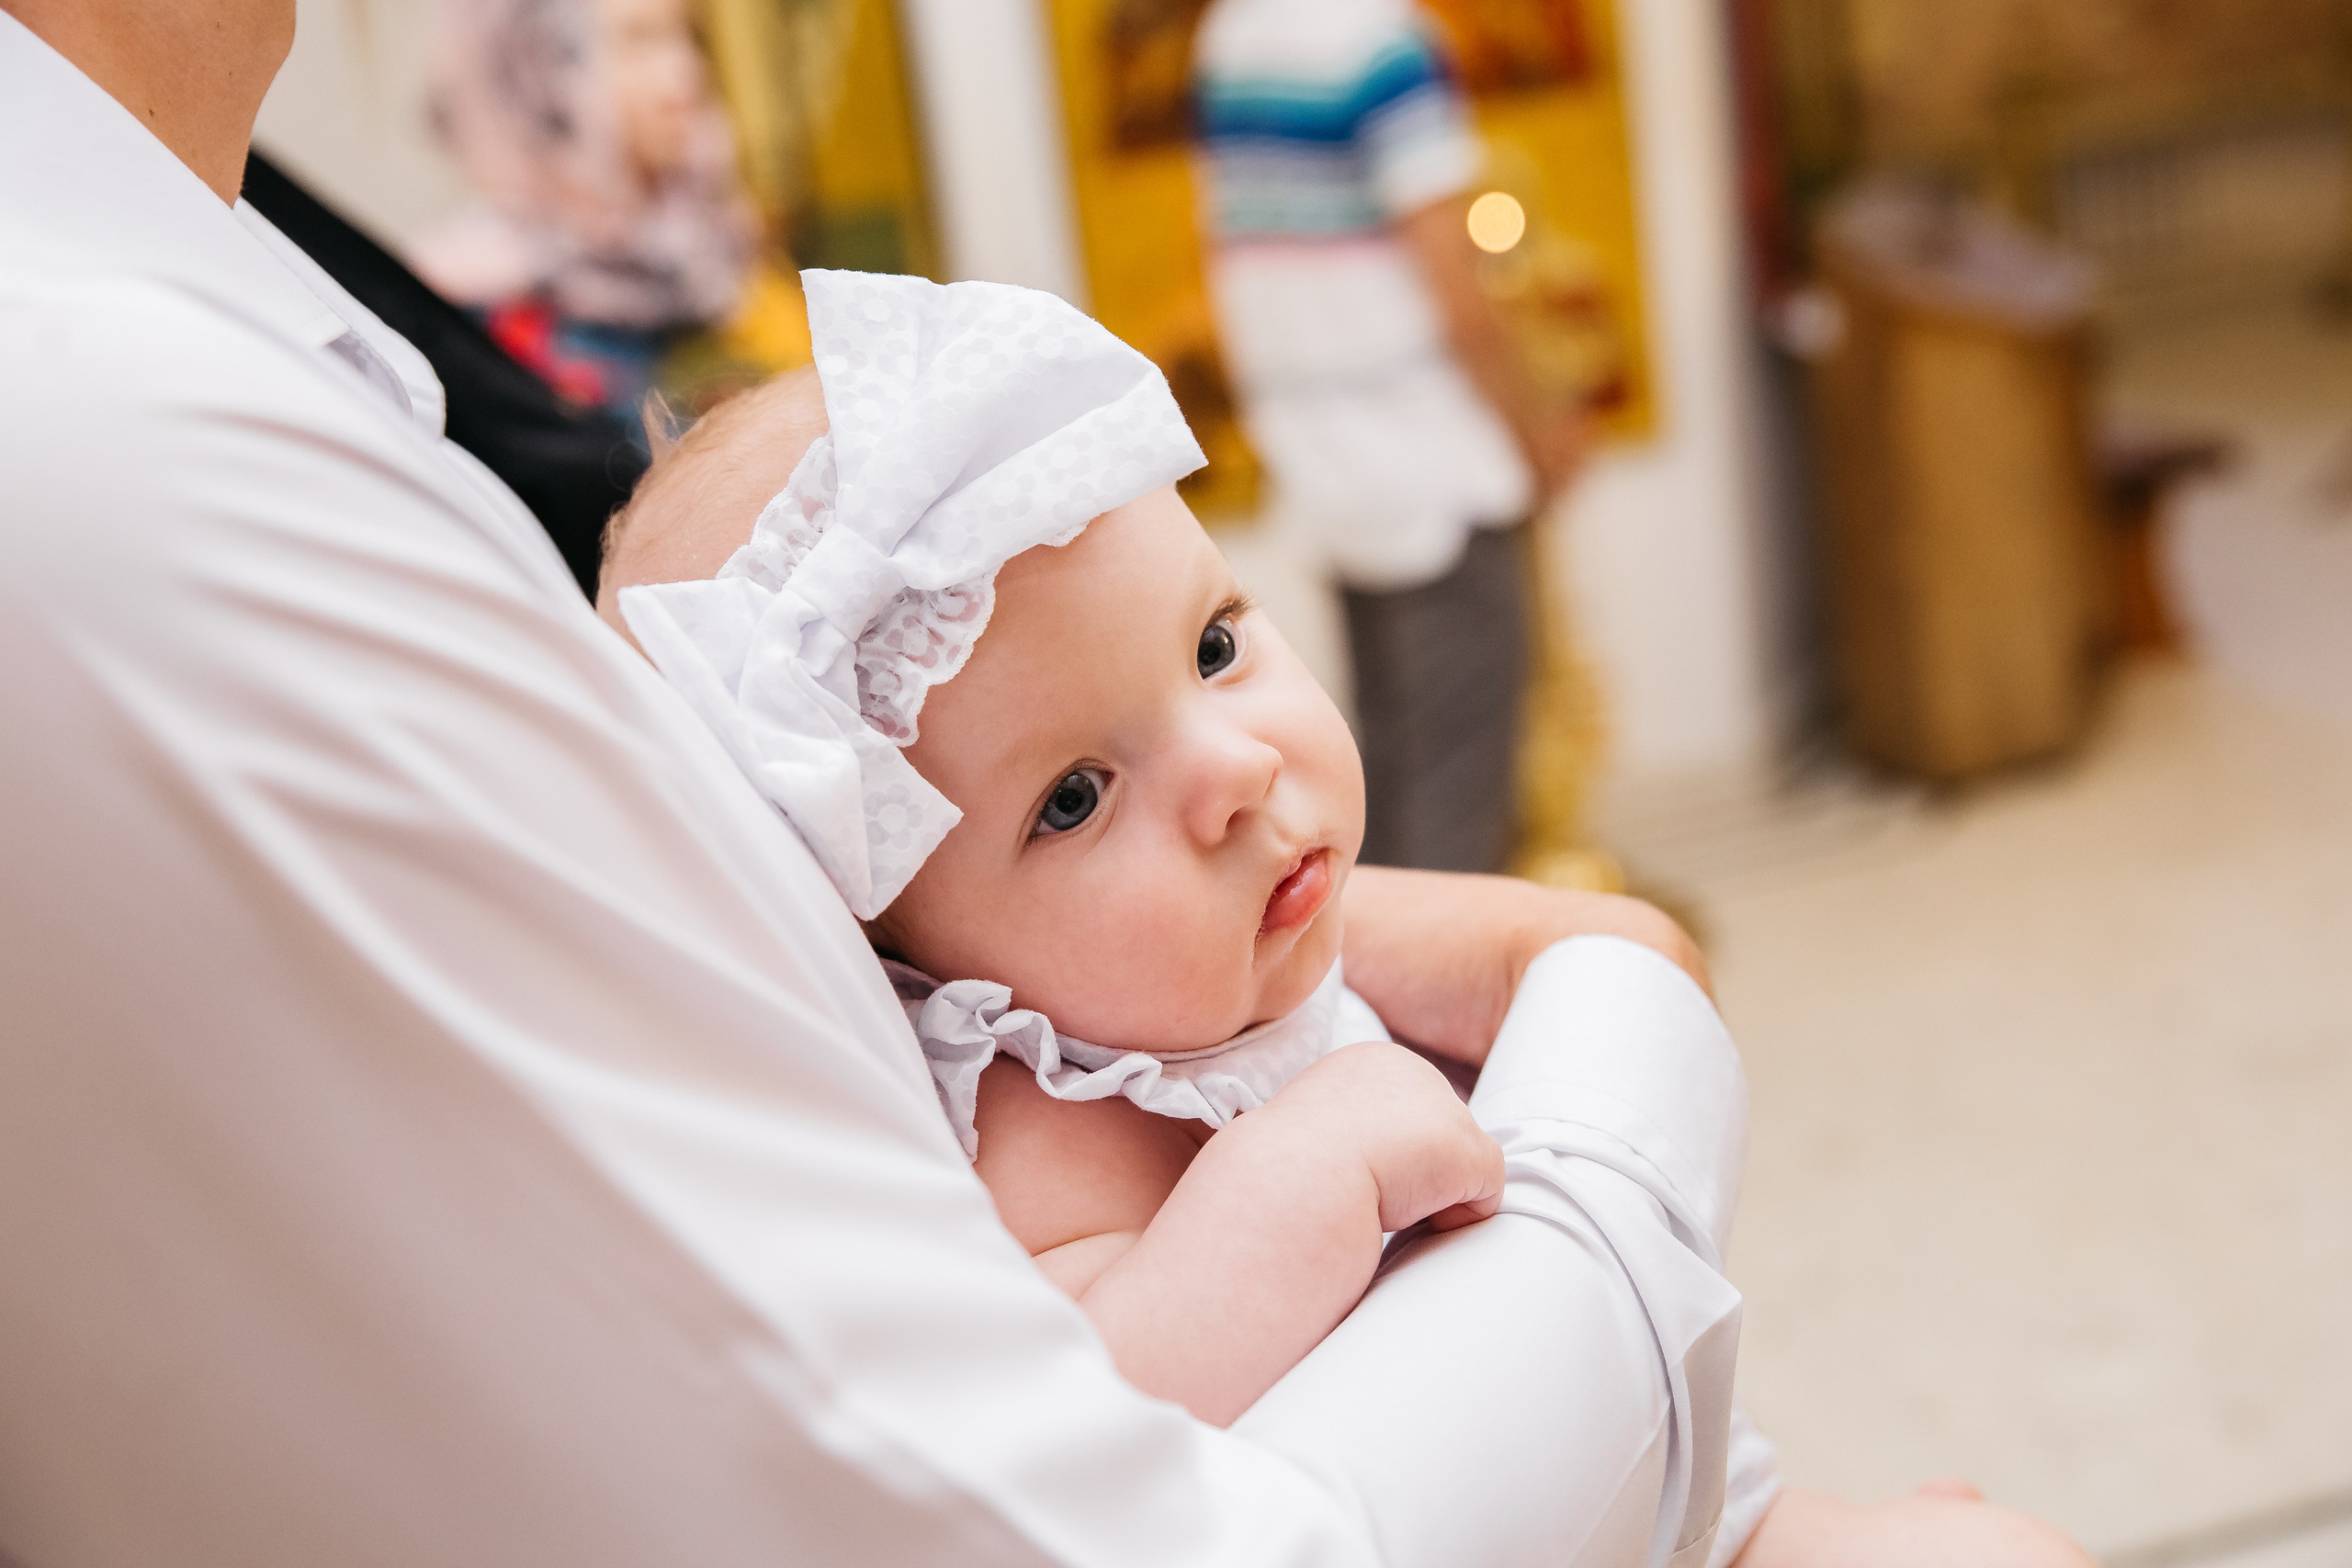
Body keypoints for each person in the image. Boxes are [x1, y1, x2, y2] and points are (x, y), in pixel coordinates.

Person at [0, 6, 2094, 1566]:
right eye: (1067, 800)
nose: (1227, 776)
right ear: (899, 923)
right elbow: (1106, 1394)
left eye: (1209, 646)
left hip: (1641, 1477)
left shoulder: (1184, 958)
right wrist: (1328, 1160)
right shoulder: (1037, 1098)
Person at [1192, 0, 1588, 874]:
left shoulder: (1232, 38)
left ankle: (1379, 999)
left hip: (1324, 464)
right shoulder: (1378, 42)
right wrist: (1536, 429)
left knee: (1384, 770)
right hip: (1431, 465)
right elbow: (1458, 288)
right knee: (1461, 791)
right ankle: (1445, 1005)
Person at [410, 0, 757, 423]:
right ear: (537, 73)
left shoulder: (713, 258)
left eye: (691, 36)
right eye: (640, 40)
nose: (687, 76)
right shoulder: (474, 320)